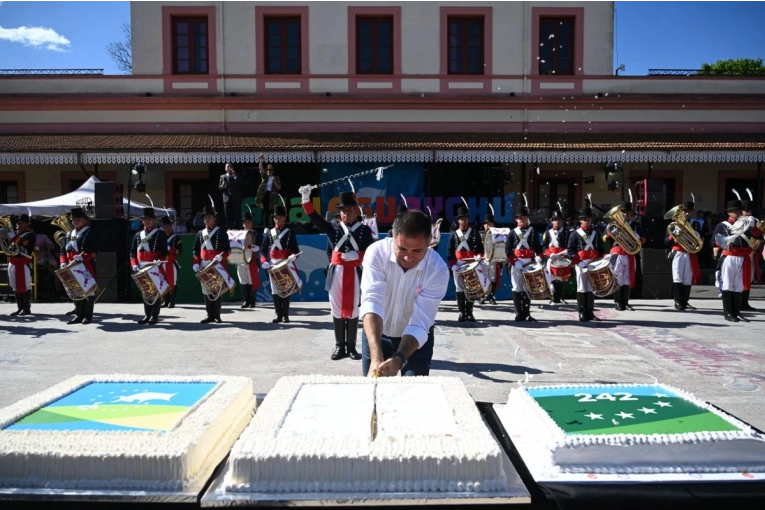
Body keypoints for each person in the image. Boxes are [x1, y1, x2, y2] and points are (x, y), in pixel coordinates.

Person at [360, 210, 449, 377]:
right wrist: (376, 355)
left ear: (430, 242)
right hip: (376, 334)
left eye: (417, 251)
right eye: (402, 248)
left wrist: (399, 359)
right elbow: (372, 301)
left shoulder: (438, 269)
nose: (408, 258)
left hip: (416, 341)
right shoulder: (376, 252)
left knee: (413, 390)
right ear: (393, 237)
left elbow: (421, 321)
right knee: (374, 389)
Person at [300, 185, 375, 360]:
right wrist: (306, 200)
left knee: (354, 308)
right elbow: (315, 218)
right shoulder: (333, 227)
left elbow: (372, 253)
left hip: (355, 272)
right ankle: (339, 346)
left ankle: (352, 347)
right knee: (336, 308)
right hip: (336, 274)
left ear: (356, 211)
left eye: (350, 210)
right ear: (339, 212)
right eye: (343, 210)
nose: (347, 213)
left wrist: (358, 255)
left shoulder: (364, 230)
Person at [192, 205, 231, 324]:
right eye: (205, 217)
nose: (207, 219)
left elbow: (227, 250)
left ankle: (217, 315)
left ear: (214, 218)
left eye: (209, 217)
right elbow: (195, 250)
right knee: (206, 290)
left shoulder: (221, 231)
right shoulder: (200, 233)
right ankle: (209, 315)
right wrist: (196, 262)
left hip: (216, 263)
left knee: (216, 289)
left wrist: (221, 256)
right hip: (204, 263)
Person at [260, 205, 299, 323]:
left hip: (285, 263)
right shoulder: (269, 233)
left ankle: (285, 315)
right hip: (272, 264)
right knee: (275, 289)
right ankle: (278, 314)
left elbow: (296, 250)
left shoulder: (290, 233)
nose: (278, 219)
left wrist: (293, 257)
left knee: (286, 288)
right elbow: (263, 250)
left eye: (280, 217)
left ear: (285, 218)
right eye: (276, 217)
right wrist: (263, 261)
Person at [505, 201, 543, 321]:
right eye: (520, 218)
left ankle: (526, 313)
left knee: (528, 287)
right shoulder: (512, 233)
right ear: (516, 220)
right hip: (517, 262)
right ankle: (519, 313)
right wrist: (514, 262)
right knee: (517, 287)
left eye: (524, 217)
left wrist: (539, 256)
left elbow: (538, 247)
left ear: (527, 219)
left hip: (530, 262)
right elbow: (508, 250)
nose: (522, 220)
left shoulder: (532, 231)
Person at [129, 207, 168, 324]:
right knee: (145, 291)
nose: (147, 221)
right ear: (142, 221)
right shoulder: (138, 235)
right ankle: (147, 315)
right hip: (141, 266)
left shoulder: (160, 234)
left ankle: (154, 315)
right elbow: (132, 252)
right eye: (145, 219)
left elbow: (164, 253)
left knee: (155, 290)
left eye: (149, 219)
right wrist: (134, 264)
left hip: (154, 265)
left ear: (154, 220)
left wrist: (159, 261)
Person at [567, 201, 605, 322]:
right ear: (580, 220)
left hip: (593, 263)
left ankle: (590, 312)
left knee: (591, 288)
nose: (587, 221)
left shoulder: (596, 233)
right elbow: (570, 250)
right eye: (584, 219)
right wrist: (578, 262)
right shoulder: (575, 234)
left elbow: (600, 249)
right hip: (581, 263)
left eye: (588, 219)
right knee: (582, 287)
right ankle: (582, 312)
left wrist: (605, 257)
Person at [60, 207, 98, 324]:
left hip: (85, 264)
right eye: (73, 219)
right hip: (70, 265)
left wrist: (83, 257)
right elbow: (63, 250)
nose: (75, 221)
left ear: (85, 220)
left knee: (88, 289)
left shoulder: (90, 232)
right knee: (75, 289)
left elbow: (94, 250)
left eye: (78, 219)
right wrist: (63, 261)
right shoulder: (69, 233)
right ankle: (78, 315)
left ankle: (88, 315)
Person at [604, 200, 644, 311]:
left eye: (628, 212)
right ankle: (617, 302)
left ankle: (625, 302)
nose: (626, 214)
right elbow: (604, 238)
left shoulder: (635, 225)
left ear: (631, 213)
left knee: (627, 278)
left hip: (630, 253)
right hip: (618, 253)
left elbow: (643, 239)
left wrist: (637, 237)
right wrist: (609, 235)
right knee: (618, 278)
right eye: (623, 212)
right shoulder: (614, 225)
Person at [446, 206, 483, 322]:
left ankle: (470, 312)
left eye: (466, 218)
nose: (464, 220)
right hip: (458, 264)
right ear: (458, 220)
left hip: (471, 263)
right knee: (459, 288)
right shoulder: (454, 234)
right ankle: (462, 312)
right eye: (462, 218)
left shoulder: (474, 232)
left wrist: (479, 256)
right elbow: (449, 251)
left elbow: (480, 248)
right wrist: (453, 264)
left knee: (471, 287)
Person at [665, 200, 701, 310]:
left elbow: (700, 239)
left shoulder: (695, 224)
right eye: (684, 211)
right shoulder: (673, 225)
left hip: (689, 253)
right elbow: (666, 242)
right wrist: (672, 237)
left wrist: (696, 237)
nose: (686, 213)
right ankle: (677, 301)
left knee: (687, 278)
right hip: (678, 252)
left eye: (689, 211)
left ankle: (685, 301)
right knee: (677, 276)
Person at [5, 214, 36, 316]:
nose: (18, 224)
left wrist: (14, 237)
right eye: (17, 222)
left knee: (26, 285)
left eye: (21, 222)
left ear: (27, 224)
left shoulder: (29, 235)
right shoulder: (14, 234)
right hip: (13, 262)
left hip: (23, 262)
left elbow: (26, 248)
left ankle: (26, 308)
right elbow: (8, 247)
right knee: (14, 285)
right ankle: (19, 307)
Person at [542, 206, 570, 304]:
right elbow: (544, 246)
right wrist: (550, 254)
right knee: (552, 277)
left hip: (562, 256)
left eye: (559, 220)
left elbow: (569, 245)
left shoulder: (566, 232)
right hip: (552, 256)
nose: (557, 222)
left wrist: (566, 252)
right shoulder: (547, 233)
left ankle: (560, 297)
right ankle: (553, 297)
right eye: (555, 220)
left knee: (561, 277)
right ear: (552, 221)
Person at [236, 211, 264, 309]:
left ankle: (252, 301)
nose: (247, 224)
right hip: (241, 260)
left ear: (252, 223)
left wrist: (257, 247)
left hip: (253, 261)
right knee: (243, 281)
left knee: (252, 281)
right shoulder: (238, 234)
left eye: (248, 222)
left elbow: (262, 246)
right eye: (245, 222)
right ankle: (245, 300)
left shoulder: (257, 234)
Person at [479, 213, 502, 305]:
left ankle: (492, 297)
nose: (489, 226)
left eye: (491, 224)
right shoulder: (480, 235)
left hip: (494, 259)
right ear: (484, 225)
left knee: (493, 279)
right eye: (487, 224)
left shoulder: (498, 235)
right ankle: (482, 297)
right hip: (483, 259)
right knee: (483, 278)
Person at [740, 198, 759, 311]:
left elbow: (758, 236)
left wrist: (754, 227)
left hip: (750, 254)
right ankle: (738, 302)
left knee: (749, 278)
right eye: (746, 211)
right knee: (739, 279)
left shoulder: (754, 222)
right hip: (738, 254)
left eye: (750, 211)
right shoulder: (737, 223)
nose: (749, 213)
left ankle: (745, 302)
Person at [161, 215, 182, 308]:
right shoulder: (161, 237)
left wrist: (170, 249)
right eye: (165, 227)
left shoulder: (176, 238)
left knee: (173, 281)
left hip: (171, 261)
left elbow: (179, 251)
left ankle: (172, 301)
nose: (166, 228)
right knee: (163, 281)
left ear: (171, 226)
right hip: (162, 262)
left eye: (168, 226)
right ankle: (165, 301)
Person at [256, 153, 282, 228]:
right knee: (266, 212)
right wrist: (261, 160)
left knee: (274, 212)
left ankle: (274, 226)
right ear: (267, 170)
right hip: (265, 195)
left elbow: (279, 188)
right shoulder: (265, 177)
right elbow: (261, 169)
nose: (270, 171)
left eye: (271, 170)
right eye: (268, 170)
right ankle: (266, 227)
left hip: (273, 196)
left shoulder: (276, 178)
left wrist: (274, 181)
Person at [219, 163, 241, 229]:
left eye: (230, 166)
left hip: (235, 198)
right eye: (228, 167)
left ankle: (237, 227)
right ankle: (228, 227)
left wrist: (235, 176)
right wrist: (222, 185)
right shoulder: (222, 177)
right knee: (227, 214)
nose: (229, 168)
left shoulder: (236, 176)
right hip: (226, 197)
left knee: (236, 213)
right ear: (225, 168)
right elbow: (219, 188)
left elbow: (240, 184)